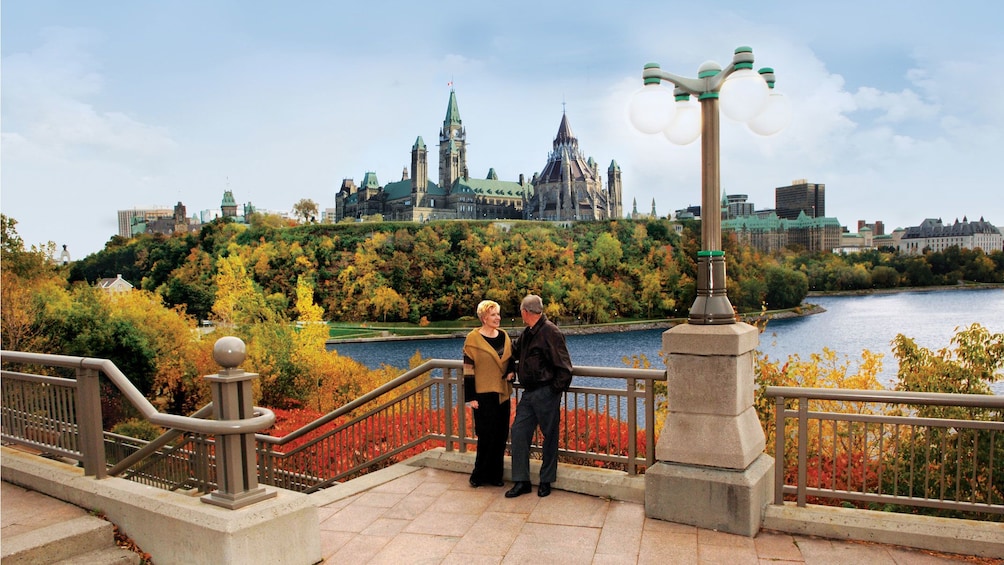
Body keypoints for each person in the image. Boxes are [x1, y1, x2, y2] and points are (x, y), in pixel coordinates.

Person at [505, 294, 573, 498]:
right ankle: (521, 481)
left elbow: (565, 368)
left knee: (549, 436)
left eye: (521, 313)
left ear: (525, 312)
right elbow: (512, 352)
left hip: (546, 393)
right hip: (529, 394)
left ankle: (546, 481)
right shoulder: (528, 333)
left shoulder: (551, 332)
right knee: (518, 432)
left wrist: (553, 391)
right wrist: (510, 368)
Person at [462, 300, 514, 488]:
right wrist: (471, 397)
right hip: (482, 395)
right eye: (493, 315)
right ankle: (479, 475)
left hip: (502, 393)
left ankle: (495, 475)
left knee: (500, 435)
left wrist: (512, 372)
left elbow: (510, 360)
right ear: (484, 318)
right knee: (485, 435)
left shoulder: (505, 336)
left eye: (498, 314)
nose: (498, 318)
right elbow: (468, 369)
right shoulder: (472, 339)